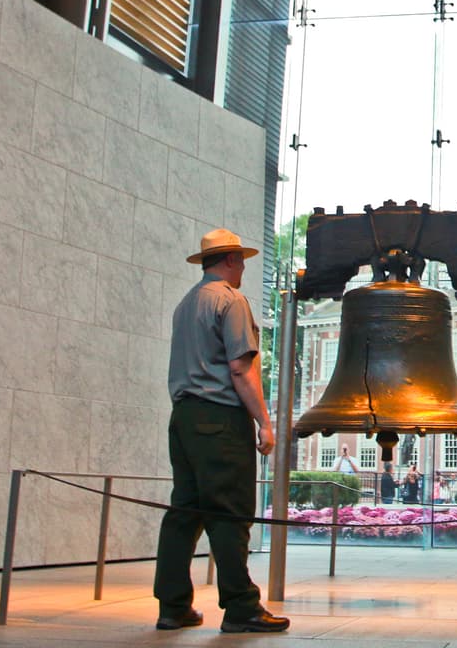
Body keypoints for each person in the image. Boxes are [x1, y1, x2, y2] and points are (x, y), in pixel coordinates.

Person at [154, 228, 289, 634]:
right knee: (230, 512)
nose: (245, 267)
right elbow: (240, 368)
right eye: (242, 260)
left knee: (185, 512)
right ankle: (241, 606)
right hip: (219, 418)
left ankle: (173, 606)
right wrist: (264, 421)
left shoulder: (186, 304)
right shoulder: (230, 301)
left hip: (184, 418)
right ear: (229, 260)